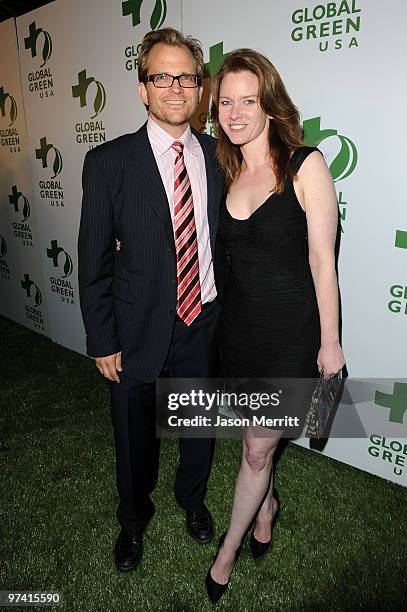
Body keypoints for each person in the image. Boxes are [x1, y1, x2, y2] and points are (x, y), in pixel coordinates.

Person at [78, 28, 224, 573]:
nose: (176, 87)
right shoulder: (109, 163)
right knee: (134, 439)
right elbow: (93, 262)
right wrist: (103, 339)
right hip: (135, 329)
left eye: (187, 77)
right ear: (143, 88)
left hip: (201, 321)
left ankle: (193, 499)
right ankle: (133, 520)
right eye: (162, 76)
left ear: (199, 87)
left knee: (197, 429)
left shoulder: (218, 156)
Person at [205, 49, 346, 603]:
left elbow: (322, 261)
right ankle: (266, 507)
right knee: (252, 441)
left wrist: (330, 343)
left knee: (257, 450)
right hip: (237, 334)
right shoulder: (227, 171)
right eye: (226, 101)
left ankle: (228, 551)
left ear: (270, 104)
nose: (236, 112)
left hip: (290, 337)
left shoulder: (304, 165)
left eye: (248, 100)